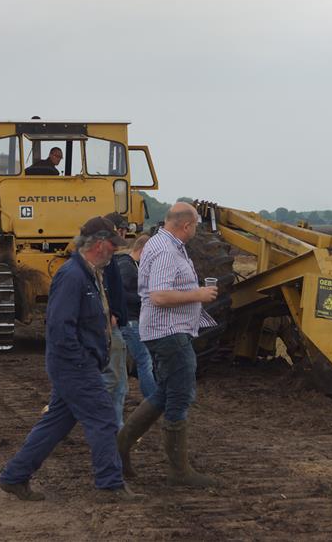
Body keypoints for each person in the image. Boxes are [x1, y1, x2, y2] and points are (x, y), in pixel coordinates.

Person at [0, 216, 141, 502]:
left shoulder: (87, 274)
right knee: (103, 418)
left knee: (56, 423)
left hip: (76, 363)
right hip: (75, 365)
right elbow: (60, 326)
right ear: (99, 244)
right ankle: (110, 485)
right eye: (113, 244)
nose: (116, 250)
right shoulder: (73, 276)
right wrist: (79, 361)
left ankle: (14, 477)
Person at [117, 202, 220, 488]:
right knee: (180, 395)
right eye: (195, 225)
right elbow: (159, 296)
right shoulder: (166, 251)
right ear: (186, 225)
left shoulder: (164, 244)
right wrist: (198, 294)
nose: (196, 229)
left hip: (166, 331)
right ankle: (178, 471)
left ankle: (120, 446)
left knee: (164, 392)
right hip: (169, 332)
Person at [115, 234, 157, 400]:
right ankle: (152, 400)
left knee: (126, 361)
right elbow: (120, 294)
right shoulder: (127, 267)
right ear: (143, 250)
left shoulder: (131, 265)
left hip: (131, 319)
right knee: (144, 359)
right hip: (130, 320)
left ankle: (122, 393)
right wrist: (144, 298)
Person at [100, 212, 130, 428]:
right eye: (121, 231)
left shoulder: (111, 259)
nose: (123, 237)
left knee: (120, 384)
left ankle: (116, 428)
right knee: (113, 380)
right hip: (110, 327)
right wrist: (111, 315)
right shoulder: (103, 260)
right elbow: (103, 289)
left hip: (115, 324)